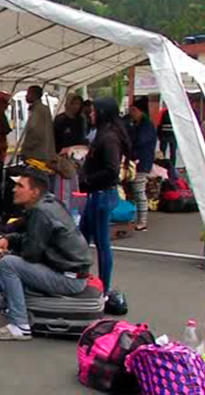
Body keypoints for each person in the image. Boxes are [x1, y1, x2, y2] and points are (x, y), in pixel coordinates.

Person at [0, 170, 91, 340]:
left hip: (69, 279)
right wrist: (9, 239)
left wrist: (8, 249)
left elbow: (31, 254)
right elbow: (33, 239)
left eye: (20, 186)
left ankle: (20, 326)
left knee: (7, 263)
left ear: (34, 192)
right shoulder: (50, 201)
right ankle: (6, 301)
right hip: (72, 272)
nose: (14, 189)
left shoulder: (41, 212)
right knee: (12, 258)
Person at [79, 98, 129, 294]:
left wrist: (89, 179)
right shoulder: (103, 134)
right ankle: (81, 278)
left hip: (102, 194)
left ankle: (104, 288)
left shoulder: (108, 138)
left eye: (93, 111)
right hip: (96, 194)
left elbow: (111, 169)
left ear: (102, 112)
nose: (90, 114)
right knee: (83, 238)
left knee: (101, 243)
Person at [52, 93, 89, 202]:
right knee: (65, 186)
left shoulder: (81, 120)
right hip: (63, 157)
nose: (76, 106)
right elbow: (55, 138)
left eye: (78, 104)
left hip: (79, 155)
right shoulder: (60, 120)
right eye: (74, 103)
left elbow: (83, 138)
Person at [129, 96, 157, 232]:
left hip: (142, 162)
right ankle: (137, 219)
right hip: (140, 161)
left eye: (134, 110)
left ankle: (142, 221)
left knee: (139, 191)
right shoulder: (140, 125)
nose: (131, 113)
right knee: (135, 191)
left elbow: (139, 141)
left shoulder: (146, 126)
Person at [20, 85, 57, 168]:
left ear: (34, 95)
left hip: (36, 155)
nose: (26, 96)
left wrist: (25, 149)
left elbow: (36, 133)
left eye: (28, 93)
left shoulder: (37, 111)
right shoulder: (45, 109)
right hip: (45, 153)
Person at [157, 107, 179, 179]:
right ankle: (172, 167)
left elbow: (159, 123)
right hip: (173, 135)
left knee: (162, 151)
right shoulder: (175, 112)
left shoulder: (163, 111)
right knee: (173, 152)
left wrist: (159, 135)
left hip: (164, 134)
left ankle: (162, 165)